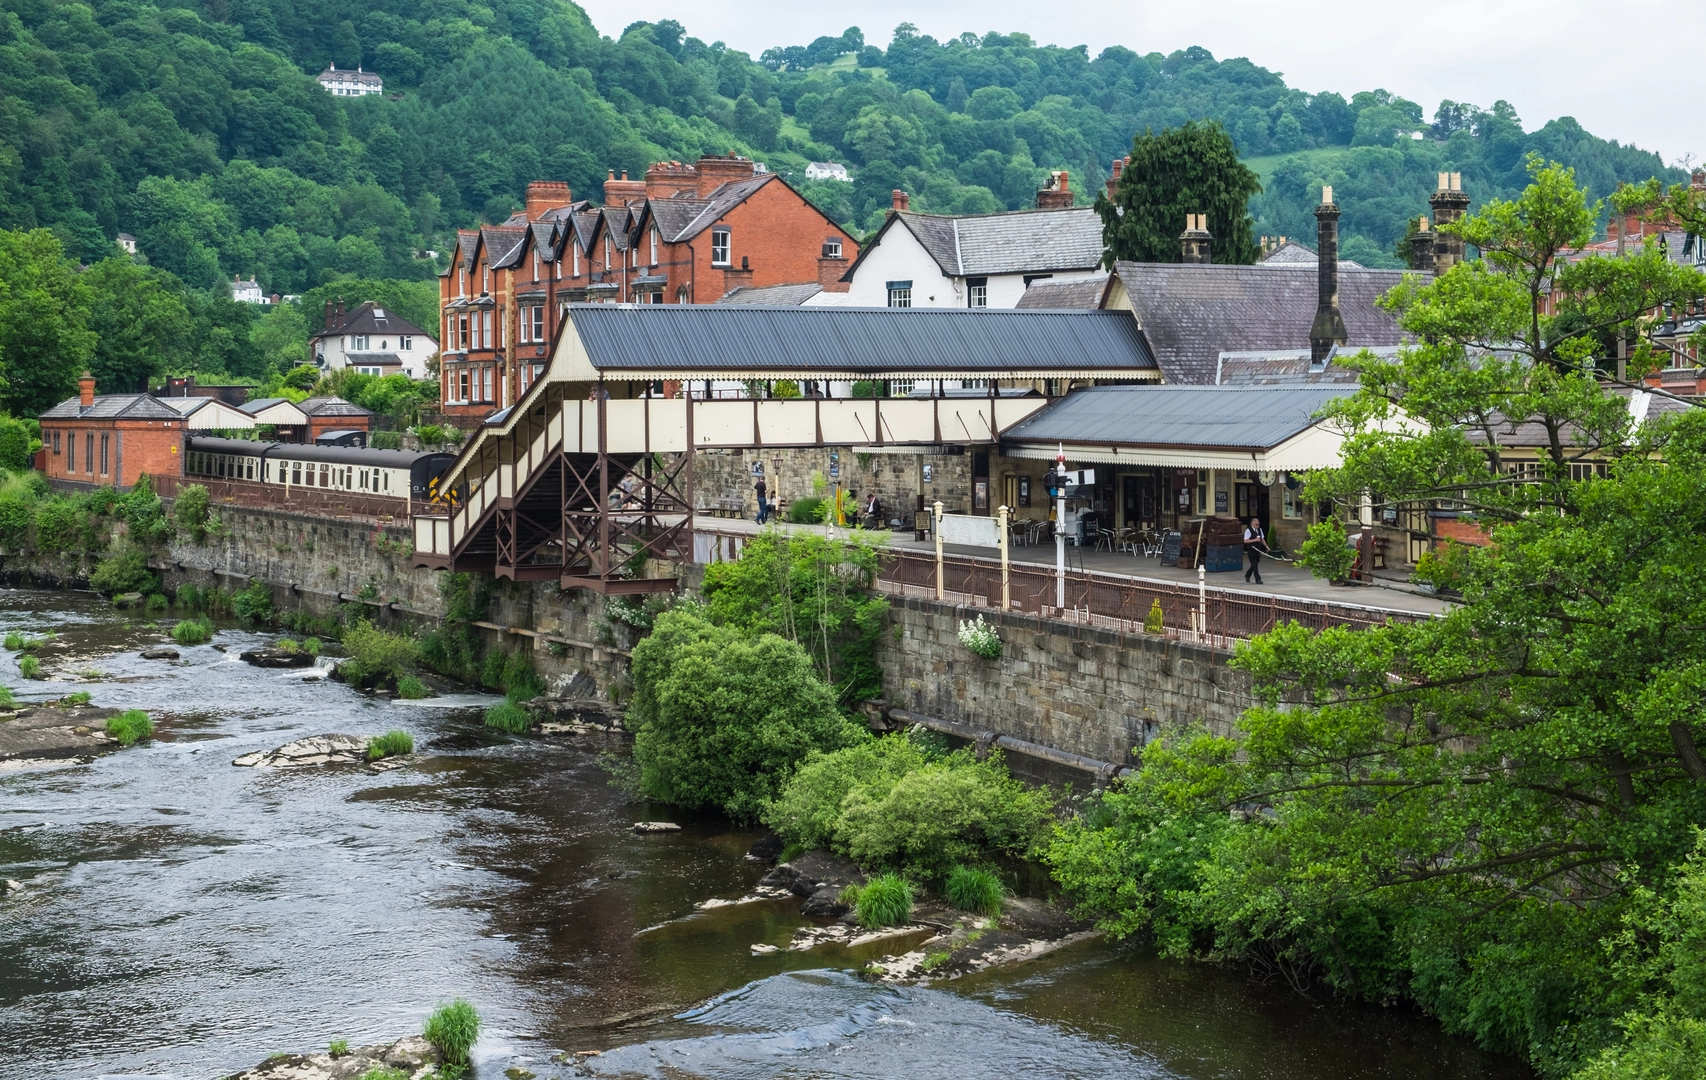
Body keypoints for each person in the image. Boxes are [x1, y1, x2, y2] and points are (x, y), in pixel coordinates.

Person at [1244, 516, 1268, 584]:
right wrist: (1255, 540)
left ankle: (1247, 575)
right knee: (1254, 564)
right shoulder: (1248, 530)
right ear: (1252, 524)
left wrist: (1266, 546)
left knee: (1255, 563)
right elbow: (1245, 541)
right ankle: (1258, 579)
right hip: (1251, 550)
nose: (1258, 525)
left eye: (1258, 524)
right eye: (1256, 524)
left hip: (1258, 550)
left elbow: (1262, 539)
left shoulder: (1260, 530)